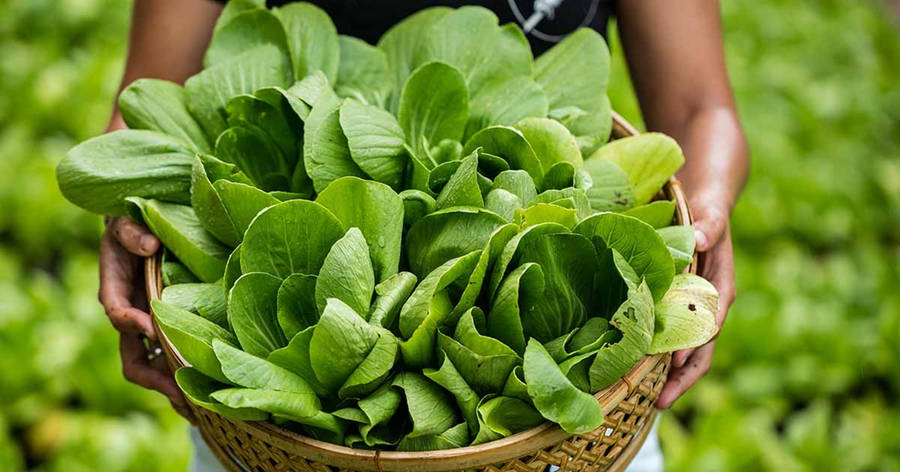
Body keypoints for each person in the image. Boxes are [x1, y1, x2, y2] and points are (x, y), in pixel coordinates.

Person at [98, 1, 749, 471]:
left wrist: (708, 208)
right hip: (278, 445)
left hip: (571, 444)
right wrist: (133, 209)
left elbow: (702, 108)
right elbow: (148, 100)